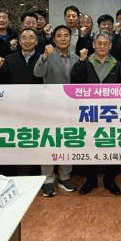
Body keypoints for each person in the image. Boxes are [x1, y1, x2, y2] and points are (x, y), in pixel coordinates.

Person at [70, 31, 121, 196]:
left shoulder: (117, 64)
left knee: (111, 145)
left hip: (111, 113)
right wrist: (81, 62)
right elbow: (75, 82)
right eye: (99, 43)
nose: (102, 46)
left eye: (105, 44)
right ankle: (91, 180)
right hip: (89, 112)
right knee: (90, 145)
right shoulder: (85, 62)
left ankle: (110, 180)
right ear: (93, 45)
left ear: (110, 46)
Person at [33, 25, 79, 197]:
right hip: (50, 107)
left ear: (70, 38)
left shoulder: (76, 57)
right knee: (49, 141)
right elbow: (38, 73)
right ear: (54, 39)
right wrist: (44, 56)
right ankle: (47, 178)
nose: (63, 38)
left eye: (66, 35)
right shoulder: (48, 55)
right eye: (59, 35)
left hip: (70, 107)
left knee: (68, 140)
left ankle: (64, 176)